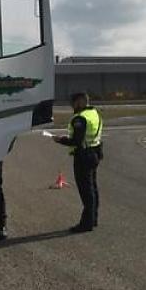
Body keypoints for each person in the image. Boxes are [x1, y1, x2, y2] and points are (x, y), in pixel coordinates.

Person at [54, 92, 103, 233]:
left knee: (86, 191)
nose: (72, 106)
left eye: (74, 103)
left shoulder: (80, 118)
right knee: (92, 188)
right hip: (95, 153)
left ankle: (86, 223)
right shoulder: (95, 113)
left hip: (84, 156)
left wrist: (60, 140)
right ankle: (93, 218)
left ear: (81, 102)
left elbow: (76, 140)